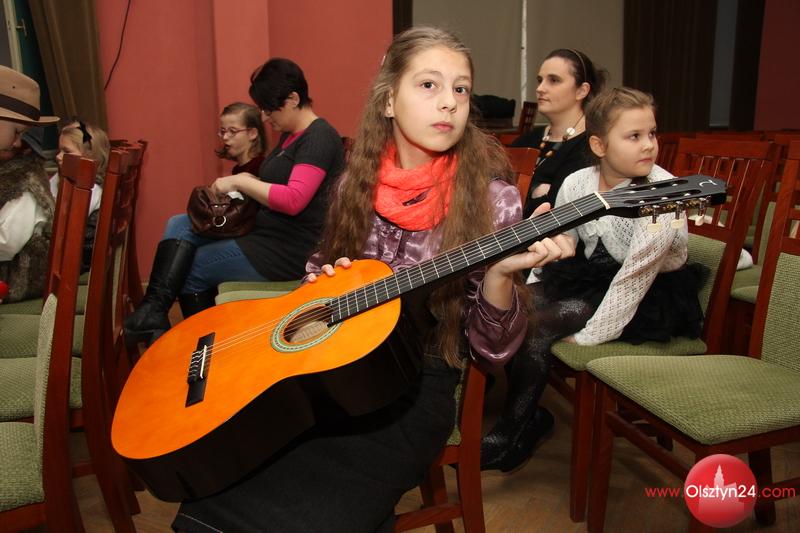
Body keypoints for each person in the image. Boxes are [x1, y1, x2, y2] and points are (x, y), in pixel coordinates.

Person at [172, 26, 573, 533]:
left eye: (461, 88)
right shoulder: (354, 184)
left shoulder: (492, 200)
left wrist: (498, 275)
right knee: (229, 474)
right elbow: (317, 266)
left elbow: (491, 350)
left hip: (414, 388)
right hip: (329, 369)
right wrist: (324, 282)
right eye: (428, 85)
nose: (449, 102)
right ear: (388, 101)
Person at [481, 87, 705, 472]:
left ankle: (510, 433)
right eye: (634, 136)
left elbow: (634, 278)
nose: (648, 145)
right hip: (591, 275)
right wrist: (534, 281)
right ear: (599, 145)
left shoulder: (663, 195)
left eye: (652, 133)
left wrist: (590, 336)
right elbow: (564, 240)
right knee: (513, 307)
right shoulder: (578, 182)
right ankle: (531, 416)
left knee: (537, 327)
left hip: (648, 293)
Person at [124, 62, 345, 345]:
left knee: (193, 268)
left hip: (290, 249)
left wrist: (241, 182)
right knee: (179, 223)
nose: (264, 117)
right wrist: (250, 183)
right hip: (268, 234)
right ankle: (153, 311)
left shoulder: (319, 137)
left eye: (269, 109)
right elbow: (280, 186)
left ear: (292, 99)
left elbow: (293, 200)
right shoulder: (290, 137)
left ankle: (205, 349)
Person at [511, 49, 606, 219]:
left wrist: (526, 191)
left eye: (553, 80)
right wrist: (537, 190)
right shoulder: (525, 140)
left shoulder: (591, 146)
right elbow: (498, 199)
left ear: (582, 91)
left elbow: (559, 211)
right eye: (540, 80)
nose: (540, 88)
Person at [0, 66, 59, 303]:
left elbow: (6, 244)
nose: (17, 142)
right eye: (16, 133)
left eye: (20, 134)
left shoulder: (24, 179)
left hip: (15, 279)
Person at [51, 119, 110, 272]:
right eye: (59, 150)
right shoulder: (64, 176)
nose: (58, 156)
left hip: (74, 259)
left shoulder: (91, 189)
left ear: (89, 156)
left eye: (67, 152)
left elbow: (65, 228)